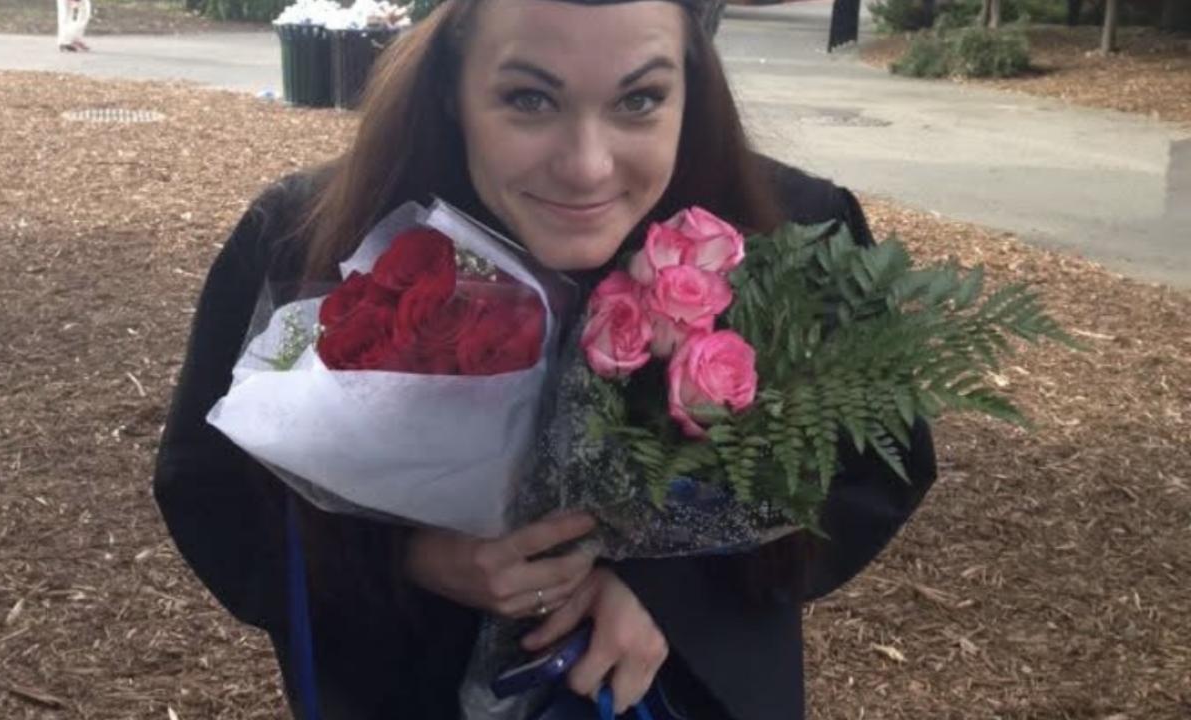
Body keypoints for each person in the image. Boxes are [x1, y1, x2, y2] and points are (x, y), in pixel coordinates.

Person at [152, 1, 938, 718]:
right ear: (451, 82)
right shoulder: (308, 240)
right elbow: (211, 490)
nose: (587, 166)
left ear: (693, 82)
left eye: (640, 99)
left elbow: (874, 470)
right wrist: (406, 560)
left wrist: (673, 593)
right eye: (529, 99)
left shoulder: (795, 236)